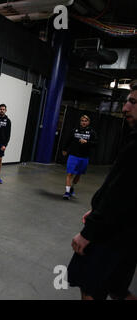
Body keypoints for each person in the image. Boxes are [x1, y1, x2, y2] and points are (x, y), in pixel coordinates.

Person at [67, 83, 137, 300]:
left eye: (133, 102)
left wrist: (91, 230)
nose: (125, 108)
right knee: (117, 289)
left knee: (89, 289)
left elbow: (121, 191)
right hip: (127, 231)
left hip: (112, 233)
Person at [61, 115, 97, 200]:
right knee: (70, 173)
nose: (84, 122)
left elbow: (95, 143)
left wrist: (87, 142)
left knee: (78, 175)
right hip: (73, 155)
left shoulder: (92, 132)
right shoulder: (74, 130)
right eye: (82, 121)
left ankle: (72, 187)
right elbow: (68, 140)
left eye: (85, 121)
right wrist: (64, 149)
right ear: (80, 122)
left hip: (84, 157)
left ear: (88, 122)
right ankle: (67, 192)